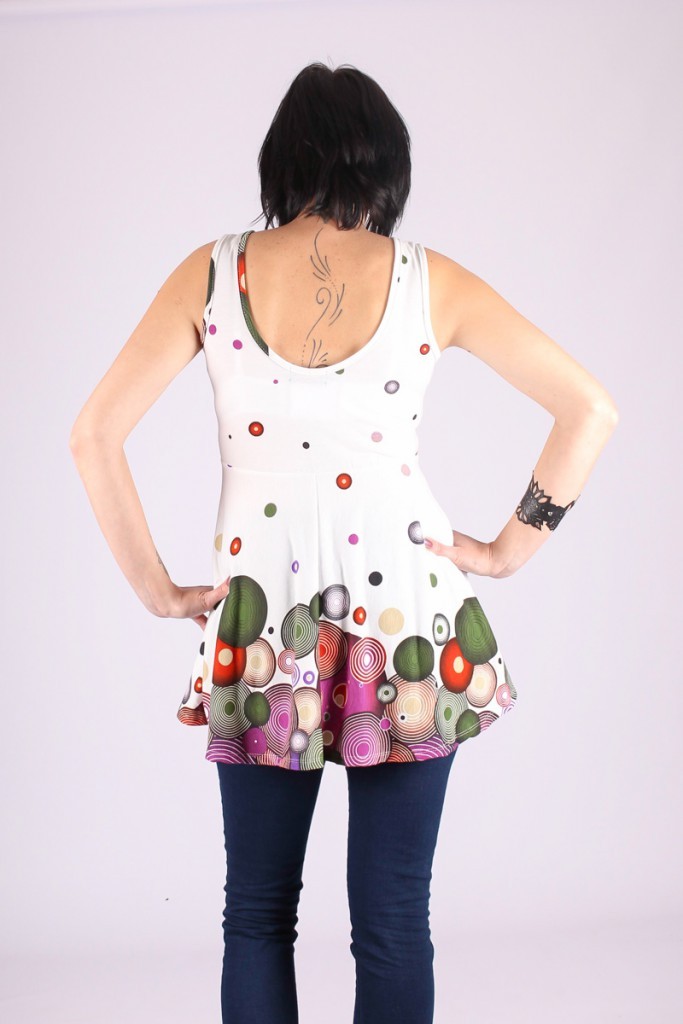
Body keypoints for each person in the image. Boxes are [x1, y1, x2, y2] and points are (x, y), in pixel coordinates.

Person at [69, 61, 619, 1024]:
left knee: (255, 916)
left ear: (281, 159)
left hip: (259, 626)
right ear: (387, 166)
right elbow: (590, 408)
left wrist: (158, 590)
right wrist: (503, 552)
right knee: (395, 918)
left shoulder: (212, 272)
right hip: (407, 621)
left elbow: (93, 434)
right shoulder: (428, 279)